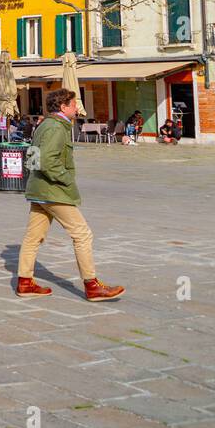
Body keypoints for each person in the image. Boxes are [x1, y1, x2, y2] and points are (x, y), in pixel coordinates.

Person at [17, 88, 124, 302]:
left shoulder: (44, 125)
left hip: (39, 188)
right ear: (64, 107)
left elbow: (33, 156)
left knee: (33, 237)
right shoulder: (57, 127)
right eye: (74, 105)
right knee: (82, 233)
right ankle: (92, 285)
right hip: (53, 189)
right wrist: (66, 178)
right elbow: (47, 160)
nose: (77, 108)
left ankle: (25, 282)